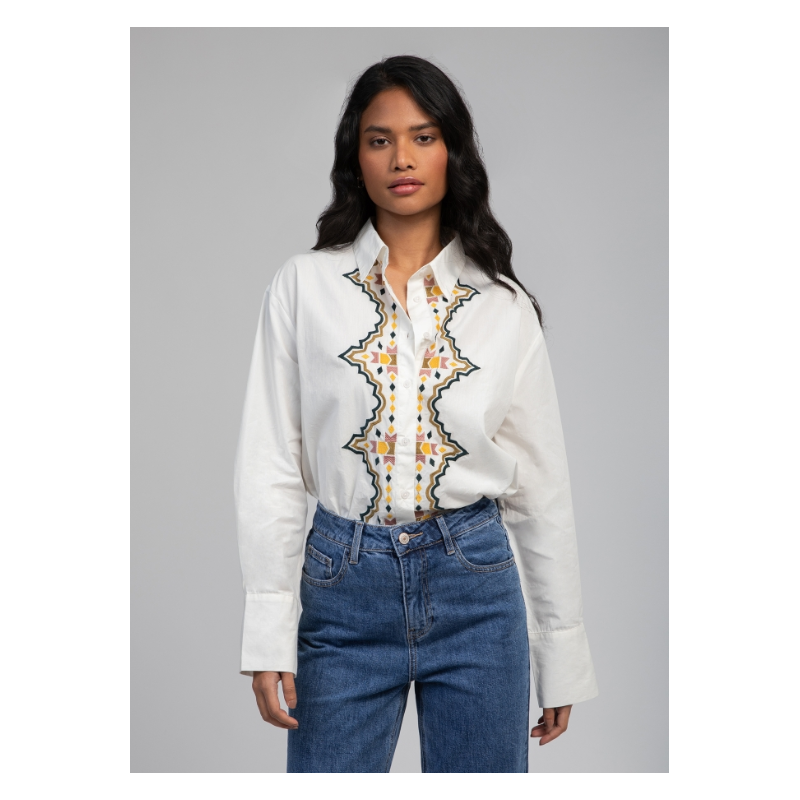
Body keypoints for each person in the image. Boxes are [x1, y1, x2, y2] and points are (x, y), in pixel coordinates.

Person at [234, 55, 599, 774]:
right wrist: (268, 631)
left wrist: (560, 650)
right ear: (356, 157)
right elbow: (270, 462)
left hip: (476, 590)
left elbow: (541, 489)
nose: (401, 157)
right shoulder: (303, 287)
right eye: (380, 140)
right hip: (342, 589)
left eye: (423, 137)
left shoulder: (503, 307)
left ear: (451, 151)